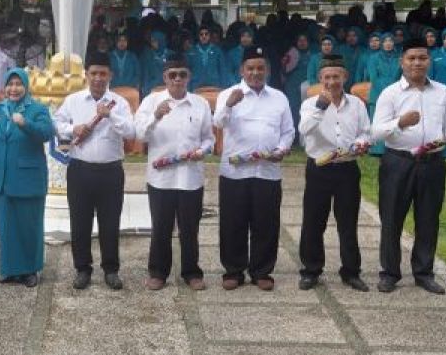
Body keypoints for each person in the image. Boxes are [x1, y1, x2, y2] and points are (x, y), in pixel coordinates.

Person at [371, 39, 446, 293]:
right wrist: (400, 123)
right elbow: (376, 131)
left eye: (422, 58)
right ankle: (390, 272)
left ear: (429, 61)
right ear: (402, 62)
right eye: (412, 58)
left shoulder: (443, 92)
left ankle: (424, 272)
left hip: (433, 163)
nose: (417, 63)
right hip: (398, 162)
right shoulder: (390, 93)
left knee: (428, 218)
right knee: (392, 217)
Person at [213, 46, 295, 291]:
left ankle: (261, 271)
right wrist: (228, 105)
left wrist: (281, 149)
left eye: (260, 68)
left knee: (266, 223)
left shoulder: (279, 98)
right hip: (235, 173)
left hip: (267, 171)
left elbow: (288, 131)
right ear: (242, 70)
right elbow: (217, 123)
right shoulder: (229, 94)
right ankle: (234, 270)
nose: (255, 73)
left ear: (267, 70)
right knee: (232, 222)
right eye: (250, 68)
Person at [54, 52, 136, 290]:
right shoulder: (74, 100)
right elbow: (56, 124)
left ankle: (111, 269)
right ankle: (82, 268)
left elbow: (131, 132)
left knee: (110, 222)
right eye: (94, 73)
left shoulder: (119, 103)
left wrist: (110, 115)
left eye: (103, 73)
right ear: (86, 75)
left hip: (110, 171)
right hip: (80, 170)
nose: (98, 78)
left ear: (110, 75)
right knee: (80, 222)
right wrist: (73, 128)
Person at [135, 55, 214, 291]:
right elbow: (139, 135)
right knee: (161, 227)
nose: (177, 79)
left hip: (190, 176)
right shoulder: (151, 101)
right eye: (172, 75)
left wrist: (203, 150)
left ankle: (191, 272)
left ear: (189, 77)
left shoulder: (200, 103)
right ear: (165, 77)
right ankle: (158, 272)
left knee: (190, 228)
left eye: (182, 74)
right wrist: (156, 116)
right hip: (161, 178)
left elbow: (209, 138)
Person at [296, 55, 371, 292]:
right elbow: (304, 130)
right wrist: (321, 106)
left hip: (348, 168)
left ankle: (350, 271)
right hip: (319, 167)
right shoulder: (310, 103)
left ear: (345, 77)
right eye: (327, 77)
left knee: (347, 222)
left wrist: (361, 143)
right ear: (320, 79)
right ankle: (311, 270)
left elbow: (365, 132)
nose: (332, 82)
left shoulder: (356, 104)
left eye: (336, 76)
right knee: (313, 222)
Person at [0, 67, 53, 287]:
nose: (13, 89)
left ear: (26, 86)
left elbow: (47, 133)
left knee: (28, 225)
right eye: (10, 84)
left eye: (18, 84)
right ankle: (10, 270)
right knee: (7, 227)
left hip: (28, 178)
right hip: (2, 179)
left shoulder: (37, 109)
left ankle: (31, 270)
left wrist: (25, 124)